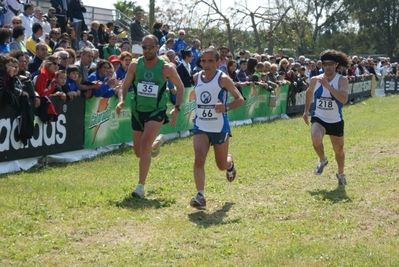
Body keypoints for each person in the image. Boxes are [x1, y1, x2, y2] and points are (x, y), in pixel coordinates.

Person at [115, 34, 184, 198]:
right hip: (138, 111)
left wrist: (177, 108)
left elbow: (180, 87)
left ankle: (140, 186)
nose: (147, 50)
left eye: (150, 47)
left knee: (145, 145)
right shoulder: (134, 65)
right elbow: (124, 87)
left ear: (156, 47)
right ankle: (157, 143)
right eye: (144, 48)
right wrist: (121, 100)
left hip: (156, 111)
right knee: (139, 152)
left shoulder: (166, 68)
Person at [189, 48, 244, 210]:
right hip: (201, 125)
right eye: (203, 61)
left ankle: (230, 163)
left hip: (219, 126)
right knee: (199, 158)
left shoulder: (223, 79)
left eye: (210, 61)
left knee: (221, 165)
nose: (206, 65)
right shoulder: (196, 77)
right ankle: (201, 196)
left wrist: (225, 107)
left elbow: (240, 99)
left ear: (218, 62)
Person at [303, 49, 351, 186]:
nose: (327, 67)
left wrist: (328, 87)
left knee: (339, 150)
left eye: (330, 64)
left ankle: (341, 173)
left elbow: (343, 99)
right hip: (319, 117)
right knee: (316, 138)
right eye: (325, 64)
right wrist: (306, 111)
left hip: (335, 119)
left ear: (336, 64)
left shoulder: (342, 80)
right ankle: (323, 159)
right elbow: (309, 92)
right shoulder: (315, 79)